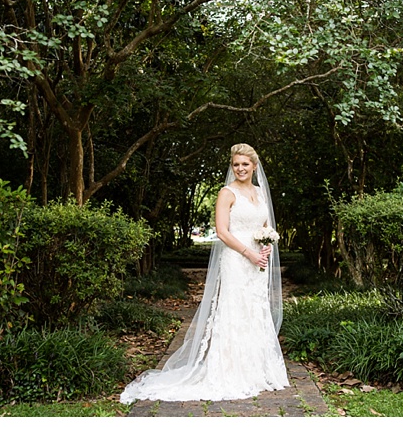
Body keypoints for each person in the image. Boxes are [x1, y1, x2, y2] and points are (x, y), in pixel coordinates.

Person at [120, 143, 288, 403]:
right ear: (232, 167)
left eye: (245, 164)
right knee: (235, 311)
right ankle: (231, 371)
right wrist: (249, 252)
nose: (240, 168)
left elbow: (265, 226)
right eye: (236, 164)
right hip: (237, 259)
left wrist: (264, 248)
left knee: (255, 310)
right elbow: (222, 232)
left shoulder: (260, 193)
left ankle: (255, 369)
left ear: (254, 166)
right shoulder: (227, 193)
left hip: (258, 263)